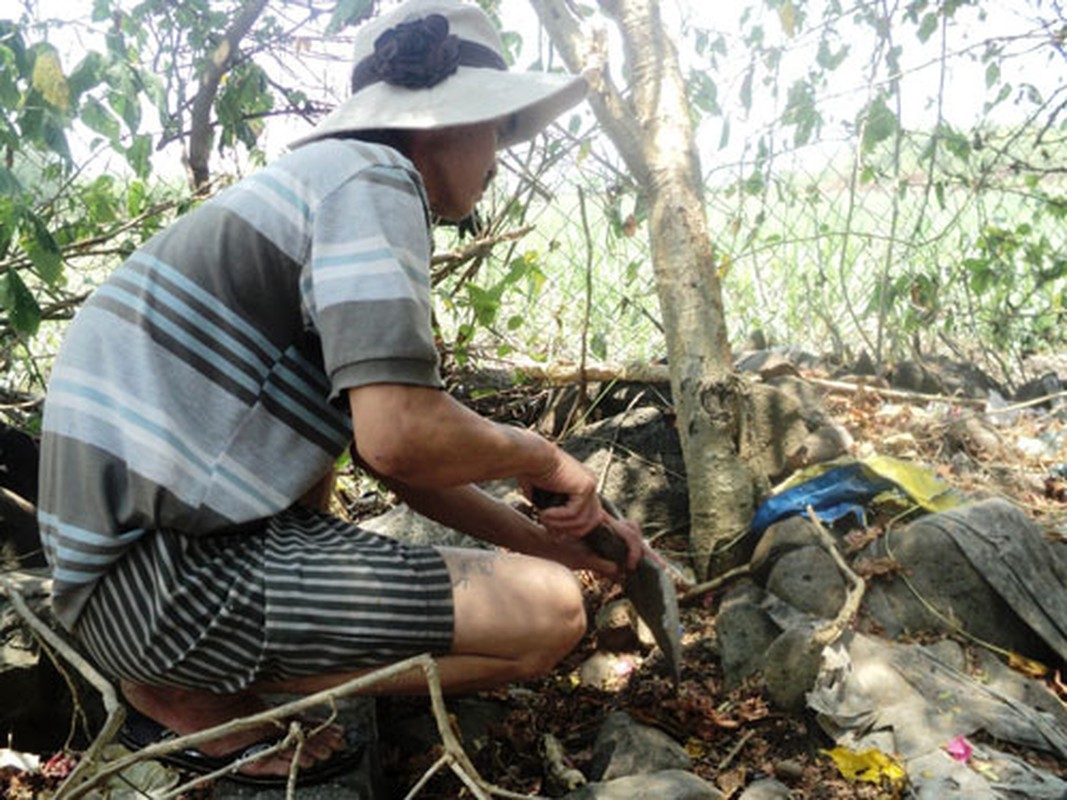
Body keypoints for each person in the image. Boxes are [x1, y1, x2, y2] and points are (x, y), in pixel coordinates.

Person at [37, 0, 645, 786]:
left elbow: (392, 458)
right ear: (438, 123)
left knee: (544, 580)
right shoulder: (374, 180)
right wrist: (544, 457)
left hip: (132, 568)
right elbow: (400, 436)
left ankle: (206, 666)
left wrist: (561, 543)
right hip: (158, 585)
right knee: (549, 615)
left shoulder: (325, 181)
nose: (499, 151)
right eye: (495, 125)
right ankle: (193, 691)